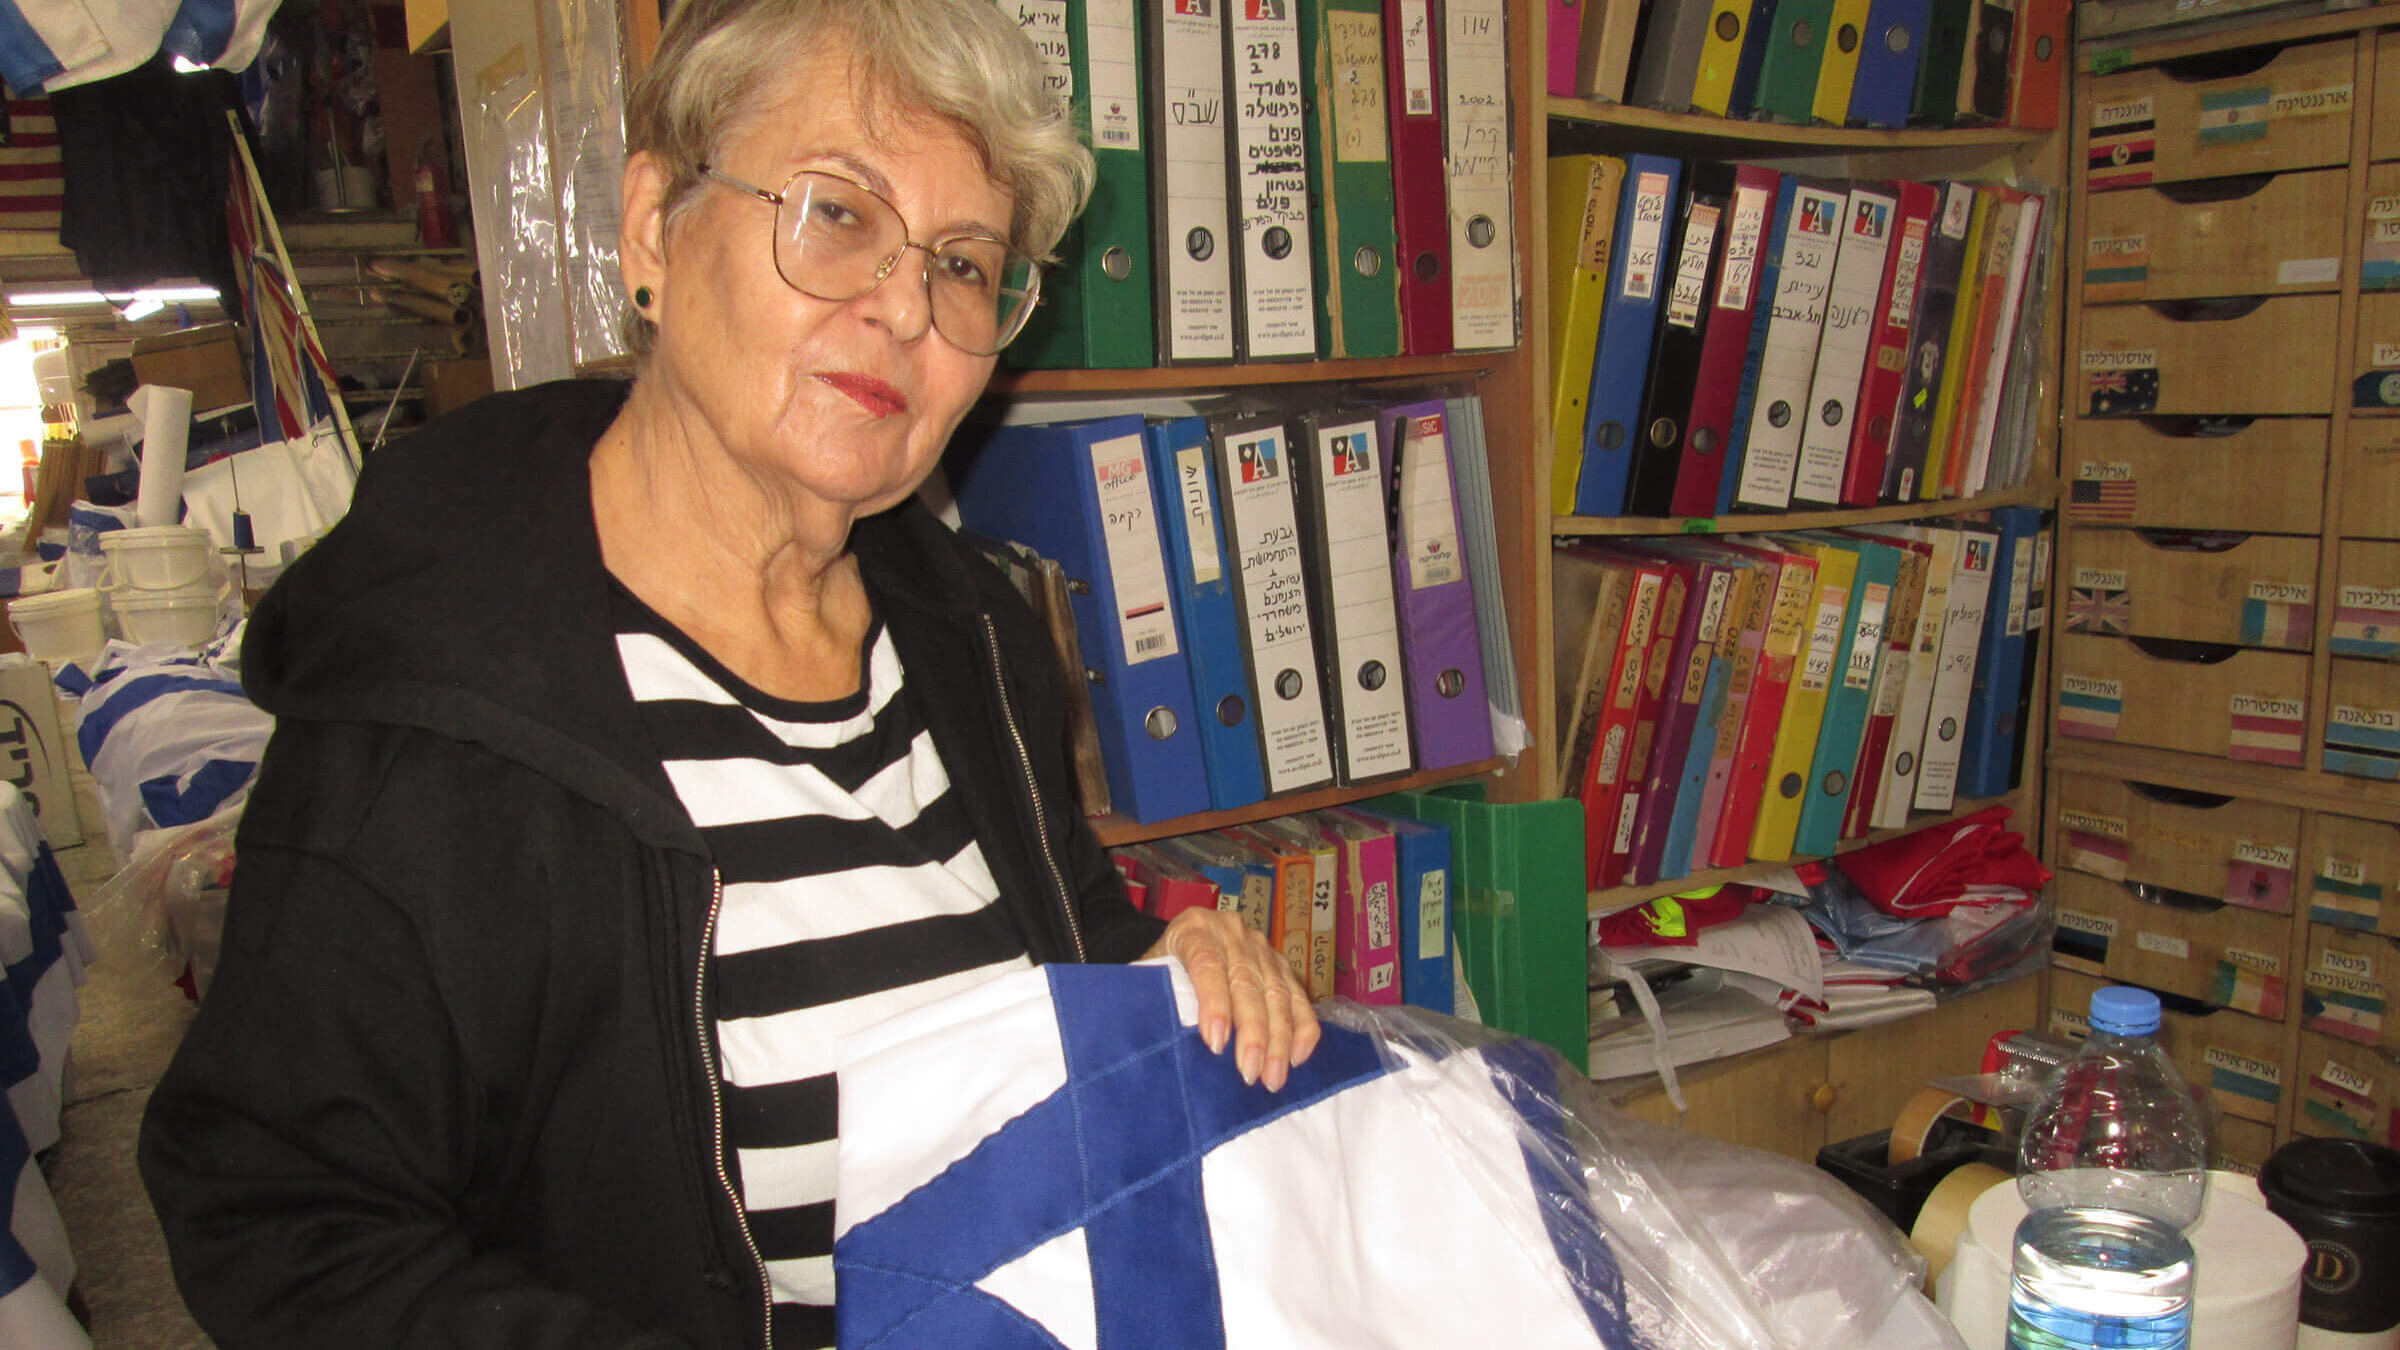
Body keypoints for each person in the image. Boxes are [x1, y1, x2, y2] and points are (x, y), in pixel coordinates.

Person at [138, 2, 1319, 1346]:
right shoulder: (436, 684)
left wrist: (1168, 972)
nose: (902, 309)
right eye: (838, 213)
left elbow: (1061, 957)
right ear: (653, 229)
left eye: (966, 264)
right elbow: (278, 1214)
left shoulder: (976, 635)